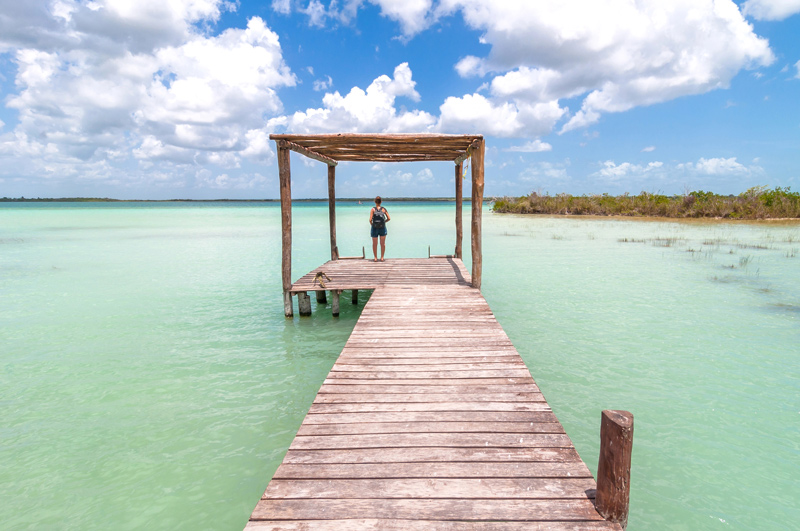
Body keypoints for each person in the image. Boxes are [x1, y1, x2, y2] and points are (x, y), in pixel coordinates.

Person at [369, 196, 390, 262]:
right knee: (382, 244)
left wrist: (372, 225)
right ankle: (382, 257)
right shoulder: (384, 209)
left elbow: (370, 220)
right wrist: (384, 222)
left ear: (375, 202)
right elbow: (389, 218)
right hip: (382, 227)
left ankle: (375, 258)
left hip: (374, 228)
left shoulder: (373, 209)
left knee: (375, 244)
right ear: (381, 202)